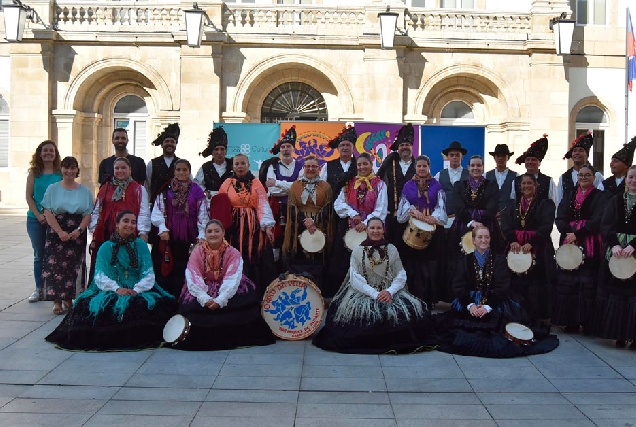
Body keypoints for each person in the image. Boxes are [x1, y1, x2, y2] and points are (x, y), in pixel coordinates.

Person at [45, 211, 176, 350]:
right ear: (117, 224)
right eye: (126, 221)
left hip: (138, 288)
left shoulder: (141, 246)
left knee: (152, 304)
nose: (130, 225)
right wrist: (117, 289)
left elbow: (148, 273)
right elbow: (100, 275)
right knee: (98, 307)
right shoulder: (106, 247)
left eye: (133, 222)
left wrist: (137, 289)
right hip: (111, 288)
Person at [313, 217, 437, 354]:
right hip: (364, 293)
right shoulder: (357, 251)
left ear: (383, 230)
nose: (375, 231)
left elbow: (400, 275)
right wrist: (375, 294)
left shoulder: (392, 249)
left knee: (408, 313)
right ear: (367, 230)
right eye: (372, 228)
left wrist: (389, 292)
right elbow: (355, 279)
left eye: (379, 228)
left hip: (390, 293)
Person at [436, 226, 559, 358]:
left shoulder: (499, 259)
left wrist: (488, 306)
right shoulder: (464, 261)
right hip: (469, 300)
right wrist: (471, 305)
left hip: (494, 300)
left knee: (497, 323)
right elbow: (458, 287)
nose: (484, 240)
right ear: (473, 240)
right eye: (480, 237)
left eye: (487, 237)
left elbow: (502, 287)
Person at [174, 219, 275, 350]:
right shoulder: (197, 252)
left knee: (242, 301)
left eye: (217, 231)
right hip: (203, 287)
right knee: (192, 306)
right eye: (209, 231)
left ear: (223, 233)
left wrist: (221, 300)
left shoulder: (233, 253)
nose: (213, 234)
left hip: (228, 287)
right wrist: (204, 298)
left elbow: (232, 278)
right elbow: (194, 276)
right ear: (205, 234)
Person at [324, 152, 388, 298]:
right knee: (346, 264)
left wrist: (365, 223)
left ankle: (370, 295)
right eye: (359, 164)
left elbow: (381, 209)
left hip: (372, 232)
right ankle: (346, 296)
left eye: (365, 164)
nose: (362, 167)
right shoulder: (349, 184)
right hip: (349, 230)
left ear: (371, 165)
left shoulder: (380, 184)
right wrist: (353, 214)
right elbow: (338, 203)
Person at [554, 163, 606, 333]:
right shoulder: (569, 195)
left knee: (587, 283)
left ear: (594, 178)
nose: (583, 177)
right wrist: (569, 233)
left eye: (587, 175)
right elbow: (560, 217)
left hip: (590, 244)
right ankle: (570, 321)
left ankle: (588, 323)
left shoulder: (600, 196)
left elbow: (598, 219)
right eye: (581, 175)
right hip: (569, 242)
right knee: (568, 283)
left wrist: (579, 233)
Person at [501, 173, 556, 326]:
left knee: (536, 283)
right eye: (523, 184)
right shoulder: (513, 204)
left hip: (538, 247)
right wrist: (512, 240)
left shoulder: (545, 204)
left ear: (536, 185)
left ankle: (536, 316)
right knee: (515, 281)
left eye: (529, 183)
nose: (526, 186)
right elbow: (505, 224)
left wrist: (532, 242)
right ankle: (516, 313)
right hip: (515, 247)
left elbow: (546, 226)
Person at [217, 153, 277, 296]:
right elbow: (220, 206)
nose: (240, 166)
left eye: (242, 163)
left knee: (253, 255)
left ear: (248, 165)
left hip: (253, 228)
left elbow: (262, 204)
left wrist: (267, 226)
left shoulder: (256, 183)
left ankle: (253, 292)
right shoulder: (226, 183)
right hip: (233, 228)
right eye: (237, 164)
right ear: (233, 166)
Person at [40, 157, 93, 315]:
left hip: (76, 231)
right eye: (66, 167)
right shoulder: (52, 189)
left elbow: (88, 213)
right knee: (55, 266)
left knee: (73, 266)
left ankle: (69, 298)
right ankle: (56, 300)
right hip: (57, 230)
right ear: (61, 169)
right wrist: (59, 231)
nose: (70, 171)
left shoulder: (84, 190)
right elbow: (47, 211)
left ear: (77, 170)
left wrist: (79, 230)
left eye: (73, 168)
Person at [150, 159, 208, 298]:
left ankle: (184, 300)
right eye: (178, 170)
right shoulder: (165, 189)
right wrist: (162, 228)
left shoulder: (197, 190)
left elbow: (203, 213)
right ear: (174, 171)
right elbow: (158, 209)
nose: (181, 173)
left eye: (185, 170)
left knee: (186, 270)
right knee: (167, 271)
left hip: (189, 237)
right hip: (169, 237)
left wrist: (201, 234)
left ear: (189, 171)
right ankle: (167, 302)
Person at [594, 166, 636, 348]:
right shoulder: (615, 200)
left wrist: (634, 246)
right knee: (617, 295)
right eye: (631, 177)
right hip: (616, 251)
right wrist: (616, 244)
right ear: (626, 179)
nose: (634, 181)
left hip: (635, 251)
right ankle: (618, 334)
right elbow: (605, 224)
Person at [89, 157, 151, 282]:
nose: (120, 170)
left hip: (128, 235)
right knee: (106, 267)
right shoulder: (105, 188)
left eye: (123, 168)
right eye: (117, 168)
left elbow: (144, 213)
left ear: (130, 169)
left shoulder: (138, 189)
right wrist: (95, 230)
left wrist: (143, 233)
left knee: (125, 268)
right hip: (106, 235)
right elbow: (96, 210)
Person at [396, 154, 447, 306]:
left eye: (424, 166)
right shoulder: (408, 186)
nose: (422, 168)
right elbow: (402, 209)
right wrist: (412, 210)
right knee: (411, 266)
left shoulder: (437, 185)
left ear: (428, 167)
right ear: (415, 167)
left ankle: (428, 300)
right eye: (419, 166)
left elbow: (441, 207)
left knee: (428, 267)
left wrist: (434, 217)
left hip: (431, 231)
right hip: (413, 229)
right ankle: (411, 297)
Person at [282, 156, 334, 287]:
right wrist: (305, 222)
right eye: (308, 166)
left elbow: (328, 207)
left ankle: (317, 288)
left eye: (314, 167)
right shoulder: (295, 186)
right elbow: (292, 207)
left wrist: (315, 222)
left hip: (319, 226)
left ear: (319, 169)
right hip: (299, 226)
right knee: (298, 256)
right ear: (303, 168)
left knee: (317, 259)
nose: (310, 169)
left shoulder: (326, 186)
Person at [260, 126, 304, 265]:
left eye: (288, 146)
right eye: (283, 146)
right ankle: (275, 272)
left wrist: (278, 183)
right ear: (280, 149)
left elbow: (301, 189)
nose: (285, 149)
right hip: (276, 210)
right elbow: (272, 191)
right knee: (276, 240)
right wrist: (292, 186)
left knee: (293, 239)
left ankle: (292, 270)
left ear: (293, 149)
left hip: (295, 210)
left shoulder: (301, 166)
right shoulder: (272, 166)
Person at [25, 140, 61, 302]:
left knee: (55, 255)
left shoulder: (60, 173)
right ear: (40, 153)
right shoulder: (34, 173)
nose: (48, 153)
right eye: (45, 150)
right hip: (35, 220)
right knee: (39, 255)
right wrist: (39, 215)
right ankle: (39, 288)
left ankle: (54, 289)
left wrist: (51, 215)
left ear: (55, 153)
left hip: (55, 219)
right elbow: (29, 197)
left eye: (51, 151)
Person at [377, 123, 416, 245]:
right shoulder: (389, 165)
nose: (405, 147)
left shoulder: (419, 166)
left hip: (412, 217)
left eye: (407, 145)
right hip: (391, 216)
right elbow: (378, 183)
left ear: (412, 147)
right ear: (398, 148)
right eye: (402, 145)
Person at [511, 134, 558, 206]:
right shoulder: (516, 181)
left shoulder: (548, 181)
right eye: (527, 160)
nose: (530, 162)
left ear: (539, 163)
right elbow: (513, 203)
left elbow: (554, 203)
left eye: (533, 160)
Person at [557, 132, 604, 204]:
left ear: (587, 155)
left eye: (581, 150)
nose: (577, 153)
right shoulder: (564, 177)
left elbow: (600, 200)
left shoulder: (597, 176)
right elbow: (559, 201)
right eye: (575, 151)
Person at [194, 126, 233, 198]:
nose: (219, 152)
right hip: (210, 202)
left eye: (222, 149)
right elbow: (197, 183)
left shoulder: (232, 165)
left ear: (225, 151)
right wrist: (205, 191)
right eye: (216, 149)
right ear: (212, 152)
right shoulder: (205, 167)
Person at [146, 123, 180, 204]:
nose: (169, 144)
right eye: (166, 141)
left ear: (175, 144)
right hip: (156, 208)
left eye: (172, 142)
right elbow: (147, 186)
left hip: (177, 207)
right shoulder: (152, 164)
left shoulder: (182, 164)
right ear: (162, 144)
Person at [320, 125, 358, 194]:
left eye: (348, 145)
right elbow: (321, 188)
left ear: (353, 148)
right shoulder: (328, 166)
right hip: (333, 203)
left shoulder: (360, 166)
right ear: (338, 148)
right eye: (342, 145)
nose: (345, 148)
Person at [485, 144, 517, 212]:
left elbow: (514, 198)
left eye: (503, 156)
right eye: (498, 156)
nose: (500, 158)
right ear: (494, 157)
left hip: (508, 215)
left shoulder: (516, 176)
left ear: (508, 157)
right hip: (489, 215)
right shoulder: (485, 176)